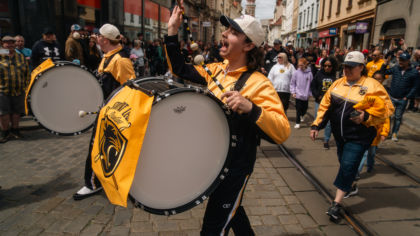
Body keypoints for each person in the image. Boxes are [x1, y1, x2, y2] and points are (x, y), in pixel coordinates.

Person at [166, 3, 290, 234]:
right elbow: (180, 69)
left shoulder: (259, 83)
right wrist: (172, 33)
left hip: (235, 168)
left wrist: (251, 108)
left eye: (233, 32)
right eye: (226, 30)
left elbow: (282, 131)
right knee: (233, 211)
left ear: (249, 45)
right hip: (212, 162)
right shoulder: (216, 69)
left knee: (212, 228)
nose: (224, 34)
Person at [310, 51, 394, 223]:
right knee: (345, 162)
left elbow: (387, 109)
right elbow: (325, 106)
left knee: (348, 164)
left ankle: (336, 204)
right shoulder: (337, 84)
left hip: (360, 135)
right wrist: (316, 125)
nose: (347, 70)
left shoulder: (372, 85)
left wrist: (367, 117)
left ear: (361, 67)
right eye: (345, 67)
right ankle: (351, 184)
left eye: (351, 67)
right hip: (339, 135)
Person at [73, 23, 136, 200]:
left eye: (98, 36)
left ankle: (92, 184)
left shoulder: (120, 60)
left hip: (112, 114)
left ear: (105, 40)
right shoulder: (109, 55)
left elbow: (130, 90)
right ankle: (99, 182)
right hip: (105, 110)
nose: (96, 38)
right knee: (102, 148)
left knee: (98, 148)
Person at [380, 52, 420, 142]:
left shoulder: (414, 72)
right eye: (400, 59)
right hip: (392, 96)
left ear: (408, 61)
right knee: (388, 116)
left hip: (403, 99)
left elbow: (415, 86)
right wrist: (385, 64)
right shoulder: (396, 68)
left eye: (403, 60)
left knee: (398, 117)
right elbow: (384, 72)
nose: (401, 62)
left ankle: (395, 133)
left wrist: (407, 97)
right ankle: (387, 131)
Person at [0, 36, 30, 143]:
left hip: (19, 89)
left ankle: (15, 131)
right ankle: (5, 133)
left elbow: (26, 72)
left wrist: (26, 86)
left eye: (11, 43)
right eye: (6, 43)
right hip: (3, 90)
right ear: (2, 44)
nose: (9, 45)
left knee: (16, 112)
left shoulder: (20, 56)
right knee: (4, 113)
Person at [310, 57, 338, 149]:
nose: (327, 67)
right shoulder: (319, 74)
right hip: (319, 101)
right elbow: (313, 86)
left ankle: (326, 140)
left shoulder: (335, 77)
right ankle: (315, 131)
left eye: (329, 66)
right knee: (318, 118)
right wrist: (317, 95)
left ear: (332, 67)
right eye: (325, 65)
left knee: (329, 122)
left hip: (331, 103)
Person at [290, 57, 313, 129]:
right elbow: (292, 83)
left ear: (305, 65)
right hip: (298, 94)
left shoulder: (309, 73)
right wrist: (293, 92)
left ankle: (302, 115)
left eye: (302, 65)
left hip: (306, 94)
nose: (300, 67)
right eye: (299, 65)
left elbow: (311, 84)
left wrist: (310, 93)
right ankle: (297, 122)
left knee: (305, 108)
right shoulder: (296, 73)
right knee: (298, 109)